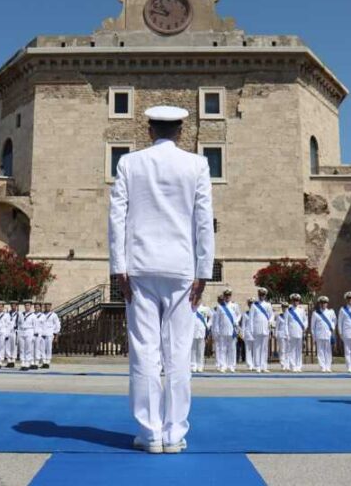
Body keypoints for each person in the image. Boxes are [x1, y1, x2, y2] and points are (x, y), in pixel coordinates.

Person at [109, 105, 214, 455]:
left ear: (149, 130)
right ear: (181, 131)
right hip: (181, 268)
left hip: (139, 267)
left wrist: (118, 267)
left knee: (144, 352)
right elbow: (203, 221)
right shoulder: (197, 164)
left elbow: (117, 218)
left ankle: (150, 431)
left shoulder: (129, 163)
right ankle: (174, 433)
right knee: (179, 352)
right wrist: (204, 271)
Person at [249, 288, 274, 373]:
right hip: (257, 329)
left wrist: (270, 322)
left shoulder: (268, 305)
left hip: (265, 329)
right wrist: (251, 330)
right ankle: (257, 366)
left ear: (265, 295)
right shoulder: (254, 305)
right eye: (260, 295)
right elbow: (251, 318)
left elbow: (271, 315)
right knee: (257, 348)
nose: (261, 296)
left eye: (263, 295)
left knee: (264, 348)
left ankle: (264, 366)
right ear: (258, 295)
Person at [311, 296, 336, 372]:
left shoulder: (331, 312)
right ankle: (322, 366)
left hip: (328, 334)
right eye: (321, 303)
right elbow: (313, 327)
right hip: (319, 334)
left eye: (325, 303)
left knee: (328, 351)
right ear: (319, 304)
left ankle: (328, 366)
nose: (323, 304)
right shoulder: (315, 313)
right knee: (320, 351)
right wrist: (314, 337)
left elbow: (334, 321)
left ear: (327, 304)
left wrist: (332, 329)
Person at [284, 293, 307, 373]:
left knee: (299, 350)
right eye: (294, 300)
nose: (295, 302)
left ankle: (298, 366)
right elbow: (286, 323)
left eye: (297, 300)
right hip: (291, 332)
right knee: (292, 350)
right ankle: (293, 366)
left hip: (299, 332)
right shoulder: (288, 310)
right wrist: (287, 333)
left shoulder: (301, 310)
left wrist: (305, 327)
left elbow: (305, 320)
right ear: (291, 301)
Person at [17, 300, 37, 370]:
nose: (27, 307)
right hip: (22, 331)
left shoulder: (33, 316)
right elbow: (19, 324)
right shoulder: (21, 314)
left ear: (30, 307)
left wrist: (34, 335)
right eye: (25, 305)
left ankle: (27, 363)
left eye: (28, 305)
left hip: (29, 331)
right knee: (22, 348)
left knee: (28, 348)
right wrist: (18, 333)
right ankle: (23, 362)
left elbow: (35, 326)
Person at [0, 301, 13, 368]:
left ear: (3, 307)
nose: (0, 308)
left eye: (1, 307)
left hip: (3, 332)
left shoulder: (6, 315)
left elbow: (8, 325)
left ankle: (0, 361)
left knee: (1, 347)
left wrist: (7, 334)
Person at [192, 304, 211, 372]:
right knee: (193, 350)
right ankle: (193, 365)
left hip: (202, 331)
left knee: (200, 350)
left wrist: (208, 325)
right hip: (193, 331)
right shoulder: (191, 307)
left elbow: (212, 317)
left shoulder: (205, 308)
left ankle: (200, 365)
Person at [42, 302, 60, 368]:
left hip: (50, 333)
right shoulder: (42, 314)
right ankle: (44, 361)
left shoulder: (54, 315)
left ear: (50, 307)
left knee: (49, 348)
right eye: (46, 306)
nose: (47, 308)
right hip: (42, 333)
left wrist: (56, 335)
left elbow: (57, 325)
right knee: (42, 348)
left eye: (48, 306)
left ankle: (48, 361)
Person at [241, 299, 255, 371]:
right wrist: (242, 334)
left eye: (252, 303)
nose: (251, 305)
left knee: (255, 350)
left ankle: (255, 364)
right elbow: (243, 325)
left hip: (255, 333)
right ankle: (249, 364)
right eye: (250, 304)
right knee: (248, 350)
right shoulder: (245, 313)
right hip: (248, 333)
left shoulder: (256, 313)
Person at [274, 303, 289, 370]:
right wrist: (276, 334)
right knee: (282, 350)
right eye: (283, 307)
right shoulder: (279, 316)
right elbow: (277, 326)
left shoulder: (290, 316)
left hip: (288, 334)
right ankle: (283, 364)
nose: (285, 309)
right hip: (281, 334)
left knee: (288, 350)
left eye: (286, 307)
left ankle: (287, 364)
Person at [7, 301, 20, 368]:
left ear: (16, 306)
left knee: (14, 346)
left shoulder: (19, 314)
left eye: (14, 305)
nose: (13, 306)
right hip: (8, 331)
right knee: (8, 346)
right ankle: (9, 360)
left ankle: (13, 360)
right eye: (12, 305)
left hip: (15, 331)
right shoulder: (7, 313)